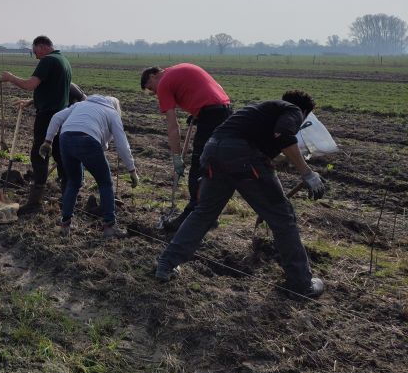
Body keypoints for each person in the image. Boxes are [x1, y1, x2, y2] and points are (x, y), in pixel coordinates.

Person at [155, 90, 326, 299]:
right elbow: (284, 136)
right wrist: (307, 173)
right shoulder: (293, 110)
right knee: (283, 217)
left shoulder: (260, 111)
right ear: (304, 112)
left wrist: (285, 159)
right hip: (242, 156)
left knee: (203, 213)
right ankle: (301, 284)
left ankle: (166, 263)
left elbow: (268, 147)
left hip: (213, 152)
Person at [141, 63, 232, 230]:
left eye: (150, 88)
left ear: (153, 76)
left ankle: (192, 214)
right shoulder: (178, 69)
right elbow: (201, 89)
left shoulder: (164, 83)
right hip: (224, 109)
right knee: (214, 165)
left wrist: (176, 157)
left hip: (211, 114)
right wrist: (196, 113)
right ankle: (209, 214)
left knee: (199, 165)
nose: (154, 92)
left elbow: (173, 126)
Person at [42, 95, 140, 238]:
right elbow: (122, 145)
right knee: (105, 183)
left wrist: (48, 141)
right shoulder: (112, 113)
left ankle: (65, 224)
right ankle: (109, 226)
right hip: (87, 140)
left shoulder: (81, 105)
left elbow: (57, 117)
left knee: (73, 182)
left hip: (65, 138)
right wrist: (132, 170)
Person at [1, 35, 72, 213]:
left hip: (47, 116)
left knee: (39, 154)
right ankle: (68, 197)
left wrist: (11, 78)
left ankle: (34, 202)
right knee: (59, 154)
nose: (35, 56)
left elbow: (30, 84)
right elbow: (53, 90)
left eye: (35, 52)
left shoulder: (47, 61)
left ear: (41, 47)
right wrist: (31, 101)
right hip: (62, 116)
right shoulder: (64, 61)